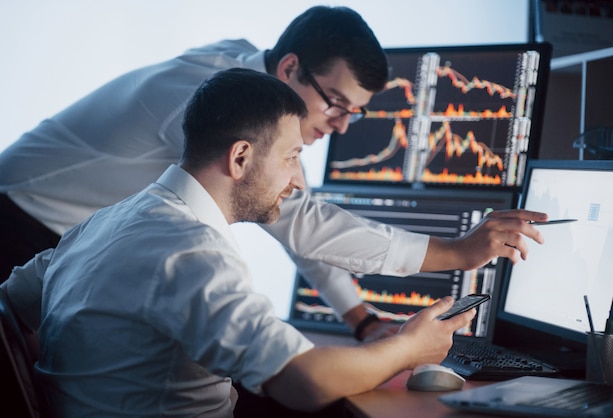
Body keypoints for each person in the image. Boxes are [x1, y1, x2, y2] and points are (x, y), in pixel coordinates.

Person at [0, 5, 546, 344]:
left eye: (352, 113)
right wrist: (455, 252)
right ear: (289, 69)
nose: (339, 126)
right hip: (16, 224)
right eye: (336, 103)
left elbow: (292, 212)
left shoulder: (253, 97)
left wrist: (360, 320)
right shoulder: (214, 104)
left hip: (60, 245)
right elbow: (300, 221)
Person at [3, 67, 479, 417]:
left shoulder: (104, 223)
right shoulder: (191, 254)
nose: (295, 182)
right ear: (240, 158)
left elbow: (10, 306)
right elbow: (305, 383)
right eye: (292, 157)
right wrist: (409, 349)